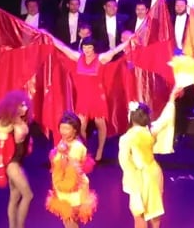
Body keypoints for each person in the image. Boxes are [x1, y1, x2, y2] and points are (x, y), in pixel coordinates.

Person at [46, 31, 132, 161]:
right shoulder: (78, 57)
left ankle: (100, 150)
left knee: (100, 124)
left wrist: (130, 40)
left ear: (94, 48)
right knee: (80, 125)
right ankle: (83, 149)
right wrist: (49, 36)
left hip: (97, 97)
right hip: (83, 98)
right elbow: (62, 47)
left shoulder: (101, 58)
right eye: (85, 47)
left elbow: (115, 50)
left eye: (89, 47)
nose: (86, 50)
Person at [118, 89, 181, 228]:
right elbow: (165, 119)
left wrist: (132, 177)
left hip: (140, 175)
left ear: (131, 117)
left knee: (138, 212)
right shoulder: (150, 131)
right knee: (154, 205)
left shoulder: (127, 138)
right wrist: (171, 98)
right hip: (154, 171)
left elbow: (124, 161)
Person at [46, 112, 98, 228]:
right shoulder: (63, 142)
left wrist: (62, 154)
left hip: (74, 189)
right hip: (61, 188)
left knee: (71, 223)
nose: (63, 132)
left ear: (75, 130)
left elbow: (71, 171)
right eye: (61, 128)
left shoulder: (77, 147)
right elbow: (56, 164)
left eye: (67, 128)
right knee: (66, 222)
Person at [0, 90, 35, 228]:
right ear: (13, 106)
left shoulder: (21, 121)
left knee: (15, 197)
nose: (25, 108)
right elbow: (0, 132)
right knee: (28, 195)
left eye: (25, 105)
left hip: (19, 162)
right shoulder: (7, 123)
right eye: (21, 105)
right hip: (12, 164)